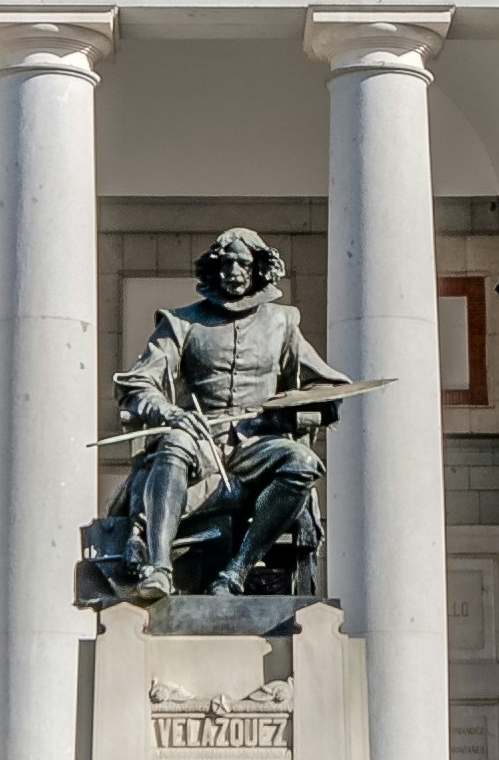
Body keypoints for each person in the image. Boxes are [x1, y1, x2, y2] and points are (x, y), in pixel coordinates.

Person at [94, 230, 354, 600]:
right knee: (174, 442)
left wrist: (288, 413)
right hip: (200, 441)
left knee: (302, 462)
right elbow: (137, 384)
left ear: (258, 269)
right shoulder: (180, 323)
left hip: (258, 444)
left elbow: (331, 391)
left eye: (243, 263)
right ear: (214, 268)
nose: (234, 270)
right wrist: (170, 413)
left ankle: (237, 571)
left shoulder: (283, 324)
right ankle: (159, 568)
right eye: (226, 262)